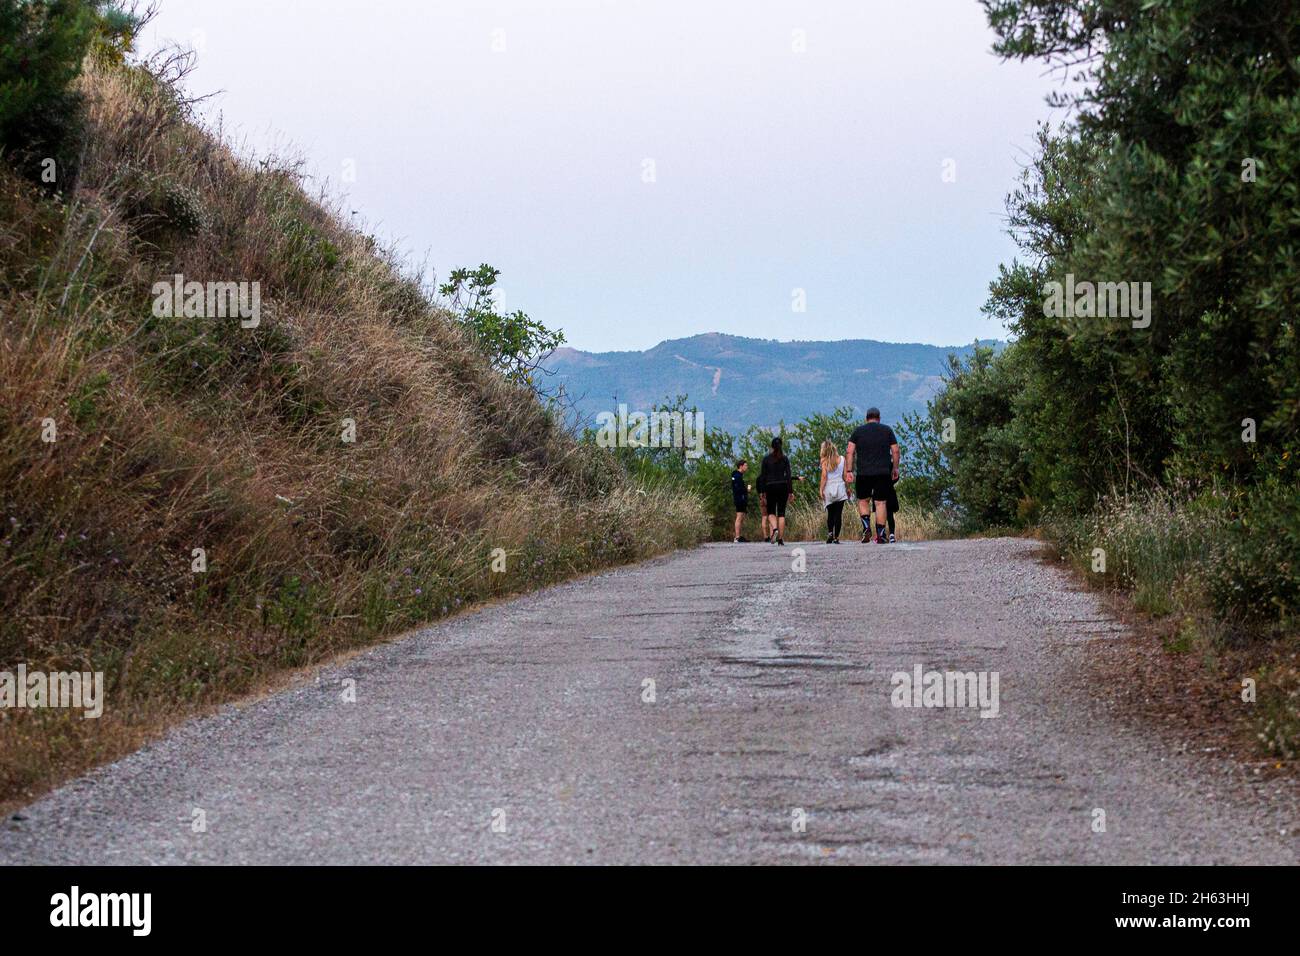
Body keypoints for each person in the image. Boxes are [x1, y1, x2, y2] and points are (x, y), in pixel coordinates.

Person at [844, 407, 899, 544]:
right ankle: (880, 534)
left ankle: (866, 527)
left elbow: (850, 451)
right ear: (879, 418)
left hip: (863, 472)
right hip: (883, 473)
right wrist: (895, 468)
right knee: (880, 503)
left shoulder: (858, 431)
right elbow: (895, 450)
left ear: (866, 418)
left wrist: (849, 471)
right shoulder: (887, 430)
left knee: (863, 500)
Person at [758, 437, 793, 545]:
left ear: (772, 447)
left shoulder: (766, 459)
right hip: (783, 486)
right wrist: (790, 491)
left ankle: (774, 529)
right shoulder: (785, 459)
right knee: (781, 513)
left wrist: (762, 492)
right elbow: (788, 475)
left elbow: (763, 477)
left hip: (770, 487)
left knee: (771, 512)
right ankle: (781, 539)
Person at [819, 440, 849, 544]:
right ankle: (836, 537)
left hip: (829, 488)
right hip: (840, 487)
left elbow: (824, 476)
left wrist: (821, 489)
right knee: (838, 514)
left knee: (830, 513)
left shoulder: (824, 461)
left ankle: (830, 533)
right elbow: (845, 476)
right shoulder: (842, 459)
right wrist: (848, 488)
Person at [730, 460, 750, 543]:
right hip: (739, 499)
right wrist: (747, 489)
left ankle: (738, 536)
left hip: (741, 498)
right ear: (741, 466)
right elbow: (737, 489)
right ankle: (737, 537)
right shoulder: (737, 475)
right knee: (739, 517)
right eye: (745, 465)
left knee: (741, 517)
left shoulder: (739, 475)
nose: (747, 467)